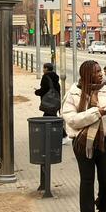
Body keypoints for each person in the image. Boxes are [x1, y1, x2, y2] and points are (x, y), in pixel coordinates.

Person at [61, 60, 106, 212]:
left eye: (100, 71)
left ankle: (102, 204)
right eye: (96, 71)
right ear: (87, 74)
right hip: (83, 142)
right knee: (87, 181)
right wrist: (96, 113)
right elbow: (71, 119)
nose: (100, 74)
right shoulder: (74, 93)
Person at [34, 62, 61, 191]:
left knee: (47, 119)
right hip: (55, 101)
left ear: (45, 69)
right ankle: (62, 134)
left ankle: (61, 134)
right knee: (51, 116)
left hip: (49, 101)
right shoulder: (56, 77)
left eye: (43, 68)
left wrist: (37, 92)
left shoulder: (46, 77)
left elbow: (44, 89)